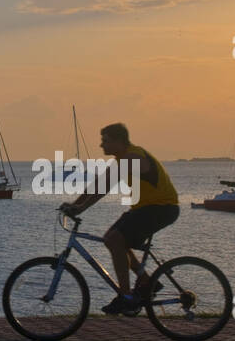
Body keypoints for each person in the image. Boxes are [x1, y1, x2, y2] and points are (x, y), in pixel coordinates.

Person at [61, 123, 179, 315]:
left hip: (161, 208)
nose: (101, 145)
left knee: (115, 239)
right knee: (112, 239)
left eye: (105, 141)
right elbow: (96, 185)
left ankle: (126, 296)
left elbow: (105, 186)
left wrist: (81, 208)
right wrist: (75, 205)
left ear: (118, 141)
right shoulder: (121, 159)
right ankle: (147, 282)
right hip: (146, 208)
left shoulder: (132, 156)